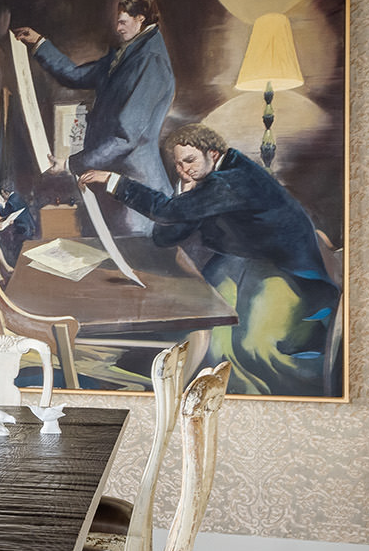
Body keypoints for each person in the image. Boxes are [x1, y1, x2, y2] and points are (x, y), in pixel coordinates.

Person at [79, 122, 339, 397]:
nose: (184, 170)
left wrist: (113, 181)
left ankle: (253, 398)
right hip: (242, 260)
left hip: (286, 268)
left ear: (213, 154)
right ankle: (206, 390)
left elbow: (166, 213)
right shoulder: (209, 184)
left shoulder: (233, 180)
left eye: (189, 160)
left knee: (252, 347)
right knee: (207, 326)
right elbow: (165, 235)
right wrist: (184, 196)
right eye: (179, 164)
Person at [17, 0, 176, 225]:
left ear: (141, 18)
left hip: (137, 188)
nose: (118, 28)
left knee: (133, 256)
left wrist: (71, 163)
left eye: (123, 22)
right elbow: (76, 75)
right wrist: (39, 43)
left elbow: (126, 137)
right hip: (114, 182)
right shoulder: (128, 55)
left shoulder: (150, 61)